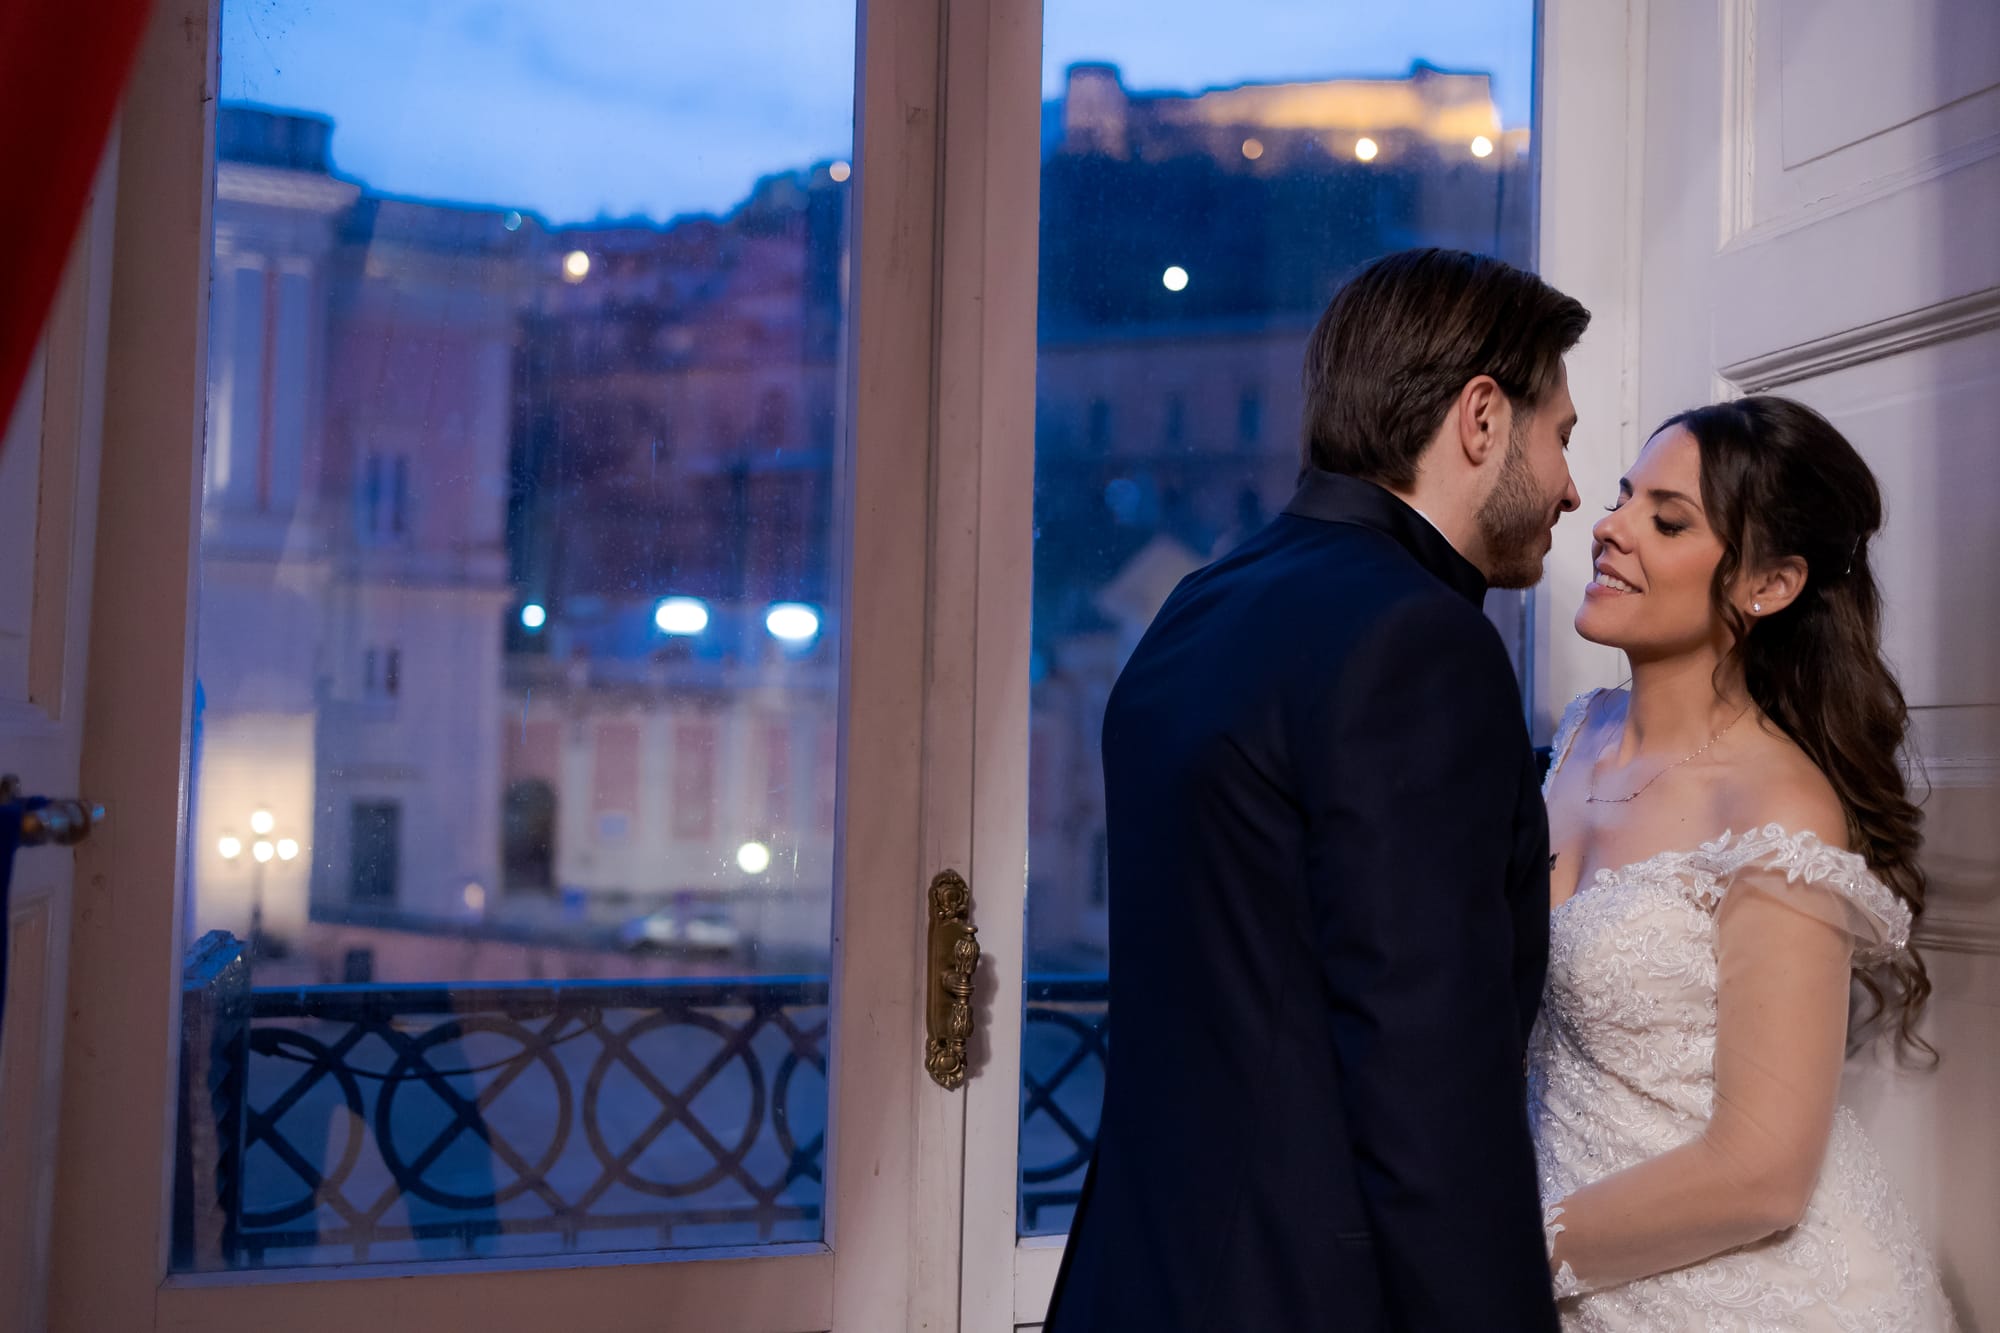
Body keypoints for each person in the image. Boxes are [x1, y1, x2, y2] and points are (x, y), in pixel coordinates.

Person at [1043, 248, 1585, 1332]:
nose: (1571, 486)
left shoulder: (1198, 605)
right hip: (1313, 1293)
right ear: (1481, 419)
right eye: (1559, 436)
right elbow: (1421, 1066)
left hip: (1137, 1274)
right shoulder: (1419, 639)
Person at [1532, 397, 1957, 1328]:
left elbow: (1761, 1175)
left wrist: (1508, 1249)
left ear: (1769, 584)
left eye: (1666, 519)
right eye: (1622, 497)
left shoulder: (1777, 806)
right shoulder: (1577, 735)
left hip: (1731, 1289)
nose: (1609, 528)